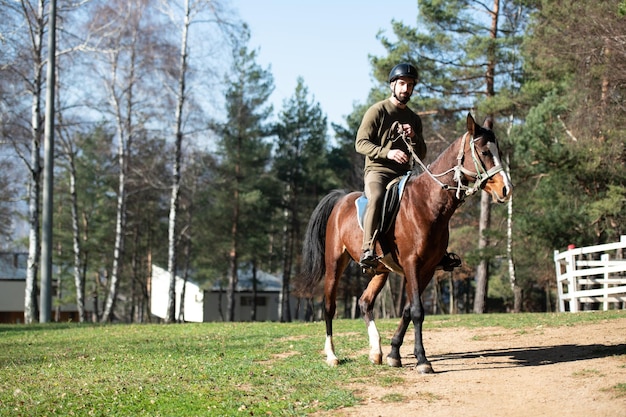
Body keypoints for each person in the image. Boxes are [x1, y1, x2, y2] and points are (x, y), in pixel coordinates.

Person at [355, 62, 460, 271]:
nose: (406, 89)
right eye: (402, 83)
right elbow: (360, 143)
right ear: (393, 85)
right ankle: (367, 249)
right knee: (376, 197)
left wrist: (413, 137)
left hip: (404, 174)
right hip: (378, 172)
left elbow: (421, 153)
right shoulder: (377, 111)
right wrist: (388, 152)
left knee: (431, 202)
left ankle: (439, 252)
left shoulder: (413, 118)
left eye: (410, 85)